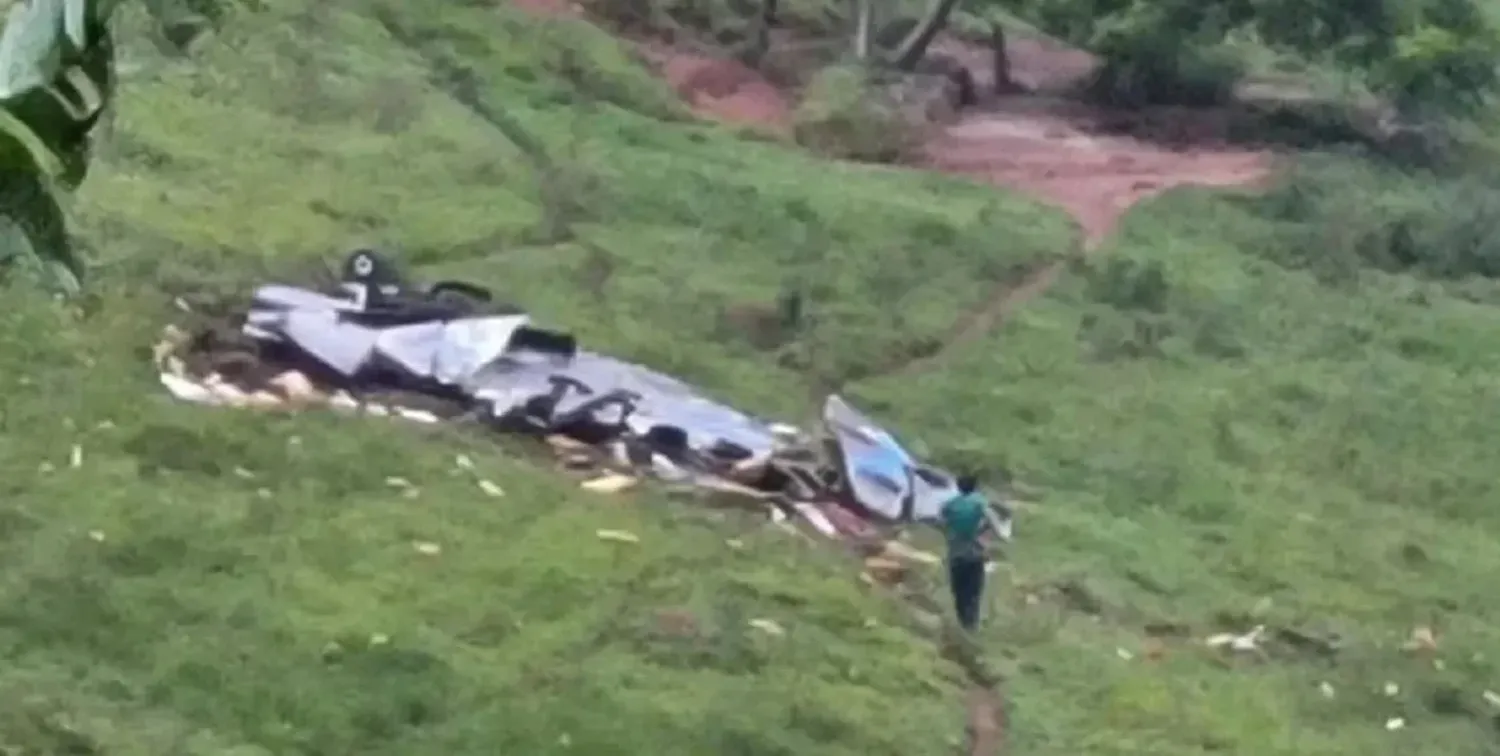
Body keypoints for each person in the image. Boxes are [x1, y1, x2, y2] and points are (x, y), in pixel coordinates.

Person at [939, 473, 1009, 632]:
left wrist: (951, 537)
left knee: (959, 592)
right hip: (974, 554)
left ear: (958, 486)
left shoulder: (950, 505)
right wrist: (1001, 536)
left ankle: (963, 623)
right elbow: (993, 522)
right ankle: (972, 626)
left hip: (955, 554)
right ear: (975, 487)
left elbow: (942, 523)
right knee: (974, 592)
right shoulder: (979, 503)